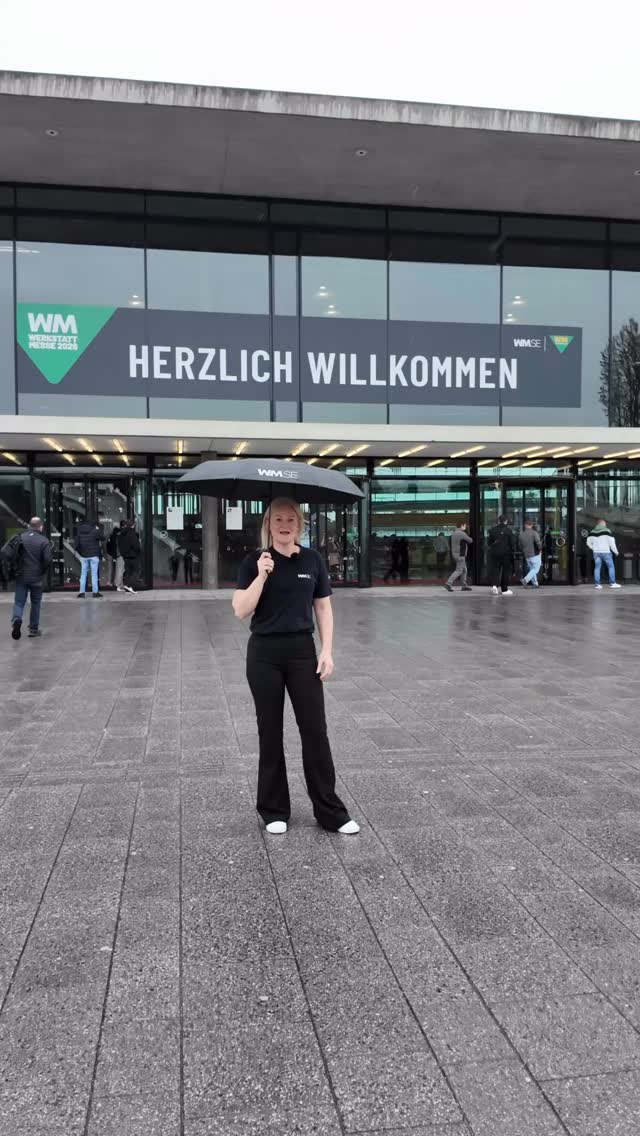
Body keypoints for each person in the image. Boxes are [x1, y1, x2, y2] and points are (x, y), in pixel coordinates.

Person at [232, 496, 359, 836]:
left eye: (291, 519)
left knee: (315, 730)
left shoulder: (312, 560)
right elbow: (240, 610)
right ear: (268, 525)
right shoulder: (253, 561)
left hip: (303, 652)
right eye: (277, 519)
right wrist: (261, 576)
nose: (284, 525)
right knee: (270, 731)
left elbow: (323, 608)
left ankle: (330, 812)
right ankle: (274, 810)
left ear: (299, 524)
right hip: (264, 654)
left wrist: (326, 650)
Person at [1, 517, 52, 640]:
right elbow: (47, 560)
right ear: (40, 527)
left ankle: (17, 619)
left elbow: (5, 553)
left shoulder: (20, 538)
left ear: (30, 525)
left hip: (21, 576)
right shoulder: (44, 541)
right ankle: (33, 629)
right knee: (36, 603)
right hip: (36, 577)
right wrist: (42, 571)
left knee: (19, 602)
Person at [587, 519, 621, 589]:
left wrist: (593, 548)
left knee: (597, 568)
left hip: (596, 553)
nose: (605, 525)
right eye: (605, 524)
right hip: (606, 552)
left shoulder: (592, 532)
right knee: (610, 567)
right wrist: (616, 551)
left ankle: (597, 584)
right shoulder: (607, 531)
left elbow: (588, 542)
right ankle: (612, 583)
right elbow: (612, 543)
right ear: (602, 523)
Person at [487, 514, 516, 596]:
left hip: (495, 553)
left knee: (496, 569)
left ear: (499, 521)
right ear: (506, 521)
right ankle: (504, 589)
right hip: (506, 553)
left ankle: (495, 586)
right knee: (505, 571)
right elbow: (512, 543)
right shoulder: (509, 531)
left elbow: (489, 543)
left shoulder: (492, 530)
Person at [75, 518, 105, 598]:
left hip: (84, 555)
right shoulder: (95, 531)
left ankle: (82, 592)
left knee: (83, 574)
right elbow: (103, 538)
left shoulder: (80, 531)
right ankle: (95, 592)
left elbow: (77, 544)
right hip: (94, 555)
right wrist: (98, 530)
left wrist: (81, 552)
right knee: (94, 574)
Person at [444, 522, 473, 592]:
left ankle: (464, 586)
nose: (465, 527)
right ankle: (448, 584)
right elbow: (470, 540)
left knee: (464, 570)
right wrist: (467, 532)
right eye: (464, 526)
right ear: (461, 526)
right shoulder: (461, 533)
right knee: (459, 570)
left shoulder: (454, 533)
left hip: (456, 554)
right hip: (460, 554)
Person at [118, 519, 141, 594]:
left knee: (128, 572)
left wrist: (123, 553)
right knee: (136, 571)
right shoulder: (132, 533)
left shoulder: (122, 533)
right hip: (133, 556)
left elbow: (119, 545)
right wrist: (138, 552)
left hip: (125, 556)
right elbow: (136, 546)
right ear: (133, 525)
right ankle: (129, 585)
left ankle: (127, 589)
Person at [520, 520, 542, 588]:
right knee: (536, 569)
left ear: (525, 525)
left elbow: (520, 545)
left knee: (532, 569)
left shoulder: (521, 534)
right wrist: (540, 549)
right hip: (534, 554)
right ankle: (525, 580)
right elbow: (538, 543)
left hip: (526, 554)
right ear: (531, 525)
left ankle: (535, 583)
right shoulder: (534, 533)